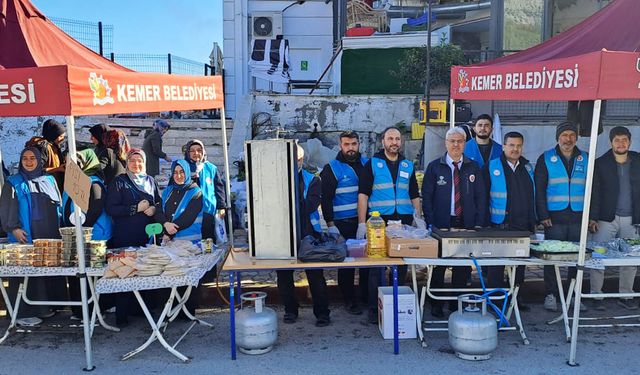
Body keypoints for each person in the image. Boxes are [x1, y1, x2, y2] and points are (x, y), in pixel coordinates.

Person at [357, 126, 424, 323]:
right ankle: (373, 308)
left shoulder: (407, 165)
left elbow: (414, 194)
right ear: (383, 142)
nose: (394, 142)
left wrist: (418, 218)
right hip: (379, 222)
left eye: (397, 139)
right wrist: (362, 223)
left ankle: (398, 305)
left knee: (401, 265)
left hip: (402, 222)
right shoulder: (372, 164)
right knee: (376, 266)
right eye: (390, 139)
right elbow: (363, 195)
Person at [422, 127, 487, 318]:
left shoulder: (473, 167)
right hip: (442, 223)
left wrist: (478, 222)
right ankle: (435, 304)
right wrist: (432, 222)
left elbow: (480, 196)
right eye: (452, 141)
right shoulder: (435, 167)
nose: (456, 145)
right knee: (438, 265)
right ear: (446, 143)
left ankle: (455, 303)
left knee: (462, 265)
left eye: (460, 141)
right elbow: (427, 197)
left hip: (465, 223)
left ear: (465, 144)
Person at [0, 147, 64, 326]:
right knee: (25, 273)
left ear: (39, 160)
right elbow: (6, 209)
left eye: (32, 158)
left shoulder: (49, 179)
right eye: (25, 159)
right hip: (26, 233)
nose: (29, 162)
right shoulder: (13, 182)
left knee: (45, 272)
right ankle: (23, 314)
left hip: (48, 232)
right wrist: (14, 229)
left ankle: (45, 308)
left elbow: (58, 206)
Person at [105, 148, 163, 327]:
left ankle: (142, 310)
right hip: (126, 236)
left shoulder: (151, 181)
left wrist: (153, 209)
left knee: (146, 272)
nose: (136, 164)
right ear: (127, 162)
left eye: (140, 161)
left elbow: (159, 203)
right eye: (132, 161)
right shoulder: (119, 182)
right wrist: (135, 209)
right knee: (125, 274)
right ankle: (122, 316)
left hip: (147, 236)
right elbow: (111, 208)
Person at [535, 121, 587, 312]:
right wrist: (543, 214)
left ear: (577, 137)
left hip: (578, 216)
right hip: (553, 217)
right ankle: (551, 294)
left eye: (572, 135)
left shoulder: (586, 158)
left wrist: (592, 216)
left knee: (577, 258)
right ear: (558, 137)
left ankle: (574, 294)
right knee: (552, 258)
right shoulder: (547, 158)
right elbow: (539, 190)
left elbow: (594, 190)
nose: (568, 139)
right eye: (564, 135)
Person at [277, 145, 330, 327]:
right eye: (290, 159)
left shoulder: (312, 180)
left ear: (301, 160)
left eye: (297, 159)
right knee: (284, 276)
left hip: (309, 234)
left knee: (316, 276)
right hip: (283, 233)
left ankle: (322, 313)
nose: (294, 162)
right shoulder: (278, 180)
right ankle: (290, 310)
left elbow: (310, 205)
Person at [589, 126, 640, 310]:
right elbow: (595, 193)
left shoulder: (638, 160)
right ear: (611, 142)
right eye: (617, 140)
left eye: (624, 140)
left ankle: (626, 295)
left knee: (630, 258)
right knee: (598, 256)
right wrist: (592, 218)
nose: (621, 143)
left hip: (632, 219)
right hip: (605, 218)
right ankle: (596, 295)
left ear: (630, 141)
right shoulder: (600, 163)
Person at [485, 132, 536, 310]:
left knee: (519, 266)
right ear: (504, 146)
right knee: (496, 267)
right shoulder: (492, 167)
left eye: (519, 146)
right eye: (512, 145)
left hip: (522, 225)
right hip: (499, 224)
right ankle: (495, 301)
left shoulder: (527, 167)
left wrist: (533, 220)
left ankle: (516, 297)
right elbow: (484, 196)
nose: (515, 149)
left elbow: (532, 195)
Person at [320, 130, 369, 315]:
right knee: (347, 264)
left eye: (354, 144)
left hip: (365, 222)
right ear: (341, 145)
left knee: (368, 263)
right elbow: (326, 199)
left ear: (359, 144)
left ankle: (366, 296)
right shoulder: (332, 168)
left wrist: (364, 223)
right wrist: (330, 225)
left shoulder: (367, 164)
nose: (350, 148)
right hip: (343, 224)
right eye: (347, 144)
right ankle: (349, 300)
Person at [61, 149, 112, 320]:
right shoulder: (72, 181)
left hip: (94, 237)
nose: (71, 165)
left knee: (91, 275)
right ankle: (79, 310)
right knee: (77, 274)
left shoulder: (94, 182)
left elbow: (96, 208)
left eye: (75, 161)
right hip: (75, 236)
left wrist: (83, 229)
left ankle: (93, 311)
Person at [183, 139, 227, 241]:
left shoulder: (211, 168)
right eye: (192, 151)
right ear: (187, 153)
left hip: (207, 209)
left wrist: (221, 207)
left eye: (199, 150)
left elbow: (219, 188)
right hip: (188, 211)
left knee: (208, 238)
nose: (196, 153)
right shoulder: (182, 168)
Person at [159, 159, 204, 243]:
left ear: (187, 172)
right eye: (175, 172)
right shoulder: (167, 191)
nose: (178, 176)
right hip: (171, 244)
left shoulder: (196, 192)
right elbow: (159, 211)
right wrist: (165, 223)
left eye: (182, 172)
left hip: (190, 243)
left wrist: (168, 234)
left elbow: (188, 217)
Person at [26, 118, 66, 189]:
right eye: (60, 136)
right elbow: (36, 170)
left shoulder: (53, 144)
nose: (62, 139)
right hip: (44, 188)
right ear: (53, 135)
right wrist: (57, 169)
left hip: (53, 186)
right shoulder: (42, 147)